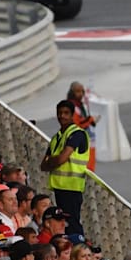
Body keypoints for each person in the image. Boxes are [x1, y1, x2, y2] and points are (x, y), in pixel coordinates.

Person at [40, 100, 87, 236]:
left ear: (72, 115)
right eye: (60, 113)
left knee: (72, 223)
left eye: (66, 113)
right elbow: (43, 165)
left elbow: (62, 158)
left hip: (72, 187)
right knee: (64, 223)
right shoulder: (56, 138)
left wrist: (53, 160)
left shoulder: (77, 134)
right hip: (59, 187)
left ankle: (79, 246)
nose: (62, 116)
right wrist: (56, 160)